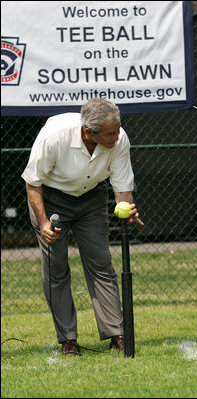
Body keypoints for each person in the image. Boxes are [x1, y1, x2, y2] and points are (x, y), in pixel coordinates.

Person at [21, 98, 144, 356]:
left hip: (90, 199)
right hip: (51, 200)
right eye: (111, 132)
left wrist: (128, 209)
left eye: (118, 128)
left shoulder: (119, 139)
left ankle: (116, 333)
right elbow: (33, 182)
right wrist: (43, 222)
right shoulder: (54, 136)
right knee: (56, 270)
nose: (117, 135)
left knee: (101, 263)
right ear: (89, 131)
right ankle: (68, 339)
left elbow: (122, 186)